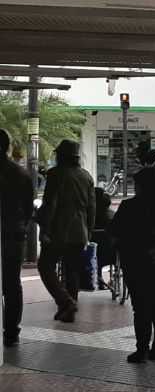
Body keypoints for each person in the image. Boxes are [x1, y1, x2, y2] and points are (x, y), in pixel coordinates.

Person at [110, 168, 155, 363]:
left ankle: (142, 350)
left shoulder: (130, 206)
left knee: (140, 306)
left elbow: (115, 231)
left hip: (139, 259)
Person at [37, 140, 96, 322]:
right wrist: (89, 232)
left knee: (45, 266)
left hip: (59, 230)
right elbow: (91, 208)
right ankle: (70, 308)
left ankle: (65, 301)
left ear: (61, 156)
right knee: (72, 270)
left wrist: (44, 229)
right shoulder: (86, 176)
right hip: (80, 231)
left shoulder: (55, 175)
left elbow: (50, 204)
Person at [1, 130, 35, 346]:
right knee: (12, 283)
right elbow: (29, 207)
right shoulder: (20, 173)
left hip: (11, 231)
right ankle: (11, 330)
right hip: (14, 234)